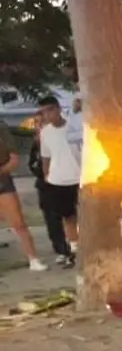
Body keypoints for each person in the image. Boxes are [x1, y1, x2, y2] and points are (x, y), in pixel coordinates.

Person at [35, 96, 81, 267]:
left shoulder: (73, 126)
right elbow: (45, 156)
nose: (47, 115)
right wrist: (47, 175)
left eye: (50, 110)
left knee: (82, 216)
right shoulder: (45, 132)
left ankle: (86, 247)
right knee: (67, 217)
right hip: (57, 180)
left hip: (78, 177)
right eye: (43, 112)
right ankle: (74, 250)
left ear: (58, 109)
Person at [0, 121, 46, 271]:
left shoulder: (2, 127)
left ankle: (33, 259)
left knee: (18, 222)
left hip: (3, 182)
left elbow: (13, 158)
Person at [27, 116, 72, 264]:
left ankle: (74, 246)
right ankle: (61, 250)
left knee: (70, 215)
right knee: (52, 220)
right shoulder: (37, 145)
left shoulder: (63, 137)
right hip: (46, 185)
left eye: (42, 123)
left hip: (65, 182)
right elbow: (32, 164)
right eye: (38, 125)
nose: (40, 128)